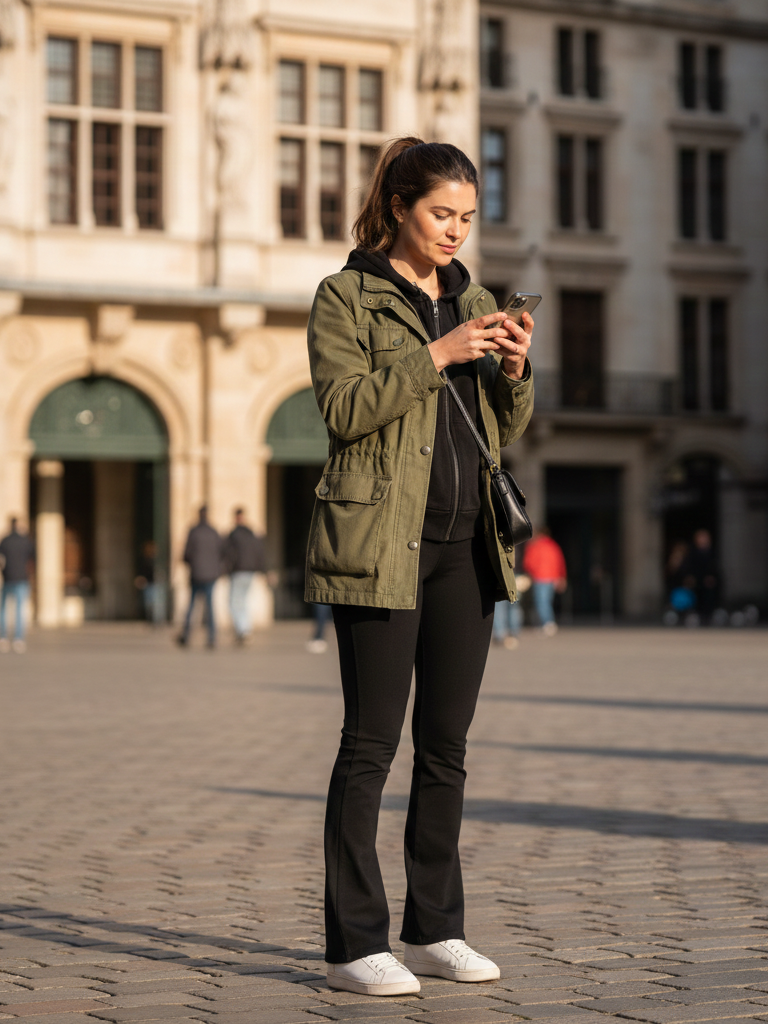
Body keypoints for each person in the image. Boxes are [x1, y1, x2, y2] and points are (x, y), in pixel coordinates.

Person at [305, 137, 534, 996]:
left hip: (467, 546)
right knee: (369, 748)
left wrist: (511, 366)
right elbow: (343, 408)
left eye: (468, 217)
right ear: (401, 206)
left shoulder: (468, 295)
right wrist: (436, 355)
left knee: (447, 747)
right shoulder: (346, 297)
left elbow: (500, 429)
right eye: (443, 214)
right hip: (377, 548)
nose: (455, 231)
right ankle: (353, 944)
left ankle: (436, 929)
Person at [177, 507, 222, 649]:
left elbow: (186, 554)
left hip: (196, 574)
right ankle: (212, 637)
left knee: (191, 606)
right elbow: (222, 552)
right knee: (210, 607)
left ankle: (186, 634)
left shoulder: (193, 531)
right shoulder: (214, 532)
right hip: (210, 575)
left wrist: (191, 564)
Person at [223, 508, 266, 644]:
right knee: (243, 601)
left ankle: (242, 630)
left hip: (238, 571)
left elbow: (229, 553)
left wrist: (227, 568)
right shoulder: (251, 534)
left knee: (234, 602)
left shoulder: (234, 534)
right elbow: (259, 552)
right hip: (250, 571)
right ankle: (245, 628)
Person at [522, 527, 566, 636]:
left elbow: (528, 562)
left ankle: (548, 623)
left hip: (540, 577)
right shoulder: (553, 545)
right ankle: (545, 623)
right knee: (546, 602)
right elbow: (560, 562)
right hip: (552, 578)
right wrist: (561, 577)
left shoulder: (534, 545)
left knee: (541, 602)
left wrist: (531, 573)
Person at [0, 517, 35, 654]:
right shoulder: (25, 541)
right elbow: (33, 558)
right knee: (20, 610)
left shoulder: (5, 540)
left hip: (8, 578)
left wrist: (3, 571)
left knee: (3, 609)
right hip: (22, 578)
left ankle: (3, 637)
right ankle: (18, 638)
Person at [680, 528, 719, 623]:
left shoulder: (712, 553)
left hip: (707, 581)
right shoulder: (692, 552)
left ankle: (708, 614)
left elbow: (715, 569)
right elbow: (688, 568)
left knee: (710, 588)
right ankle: (693, 613)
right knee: (691, 588)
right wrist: (690, 577)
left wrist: (711, 577)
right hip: (695, 579)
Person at [492, 572, 530, 649]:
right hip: (516, 575)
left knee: (500, 605)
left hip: (500, 574)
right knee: (514, 605)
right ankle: (514, 632)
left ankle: (501, 633)